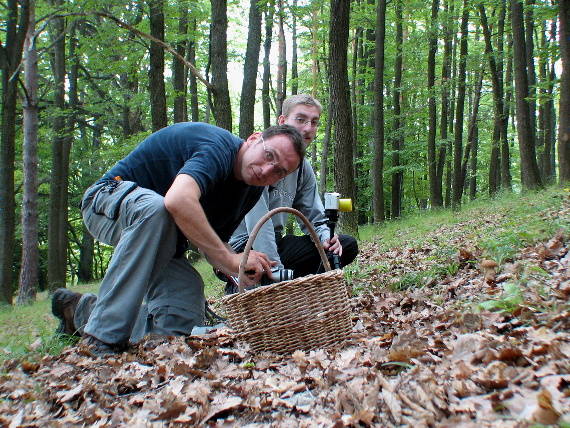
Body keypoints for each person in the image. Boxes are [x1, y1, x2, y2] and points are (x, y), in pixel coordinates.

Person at [52, 122, 304, 356]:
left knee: (180, 323)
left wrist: (241, 268)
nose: (267, 170)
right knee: (157, 209)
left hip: (160, 239)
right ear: (253, 139)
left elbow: (212, 240)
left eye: (279, 171)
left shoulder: (251, 189)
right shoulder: (218, 148)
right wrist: (228, 258)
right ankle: (103, 337)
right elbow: (177, 200)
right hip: (108, 202)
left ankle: (79, 311)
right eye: (269, 155)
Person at [228, 95, 358, 292]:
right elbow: (259, 224)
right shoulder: (262, 158)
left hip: (277, 242)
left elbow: (314, 215)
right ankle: (250, 284)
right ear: (282, 121)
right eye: (300, 119)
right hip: (243, 248)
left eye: (314, 122)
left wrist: (325, 238)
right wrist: (276, 271)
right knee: (268, 266)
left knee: (345, 246)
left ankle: (293, 290)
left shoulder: (303, 169)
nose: (307, 128)